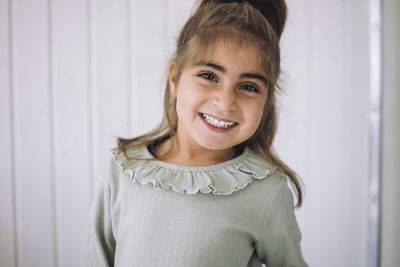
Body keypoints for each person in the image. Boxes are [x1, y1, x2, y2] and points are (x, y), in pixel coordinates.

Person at [83, 0, 308, 266]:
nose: (225, 102)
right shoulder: (123, 168)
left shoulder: (267, 191)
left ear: (267, 98)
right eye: (209, 76)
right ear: (175, 77)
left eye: (248, 86)